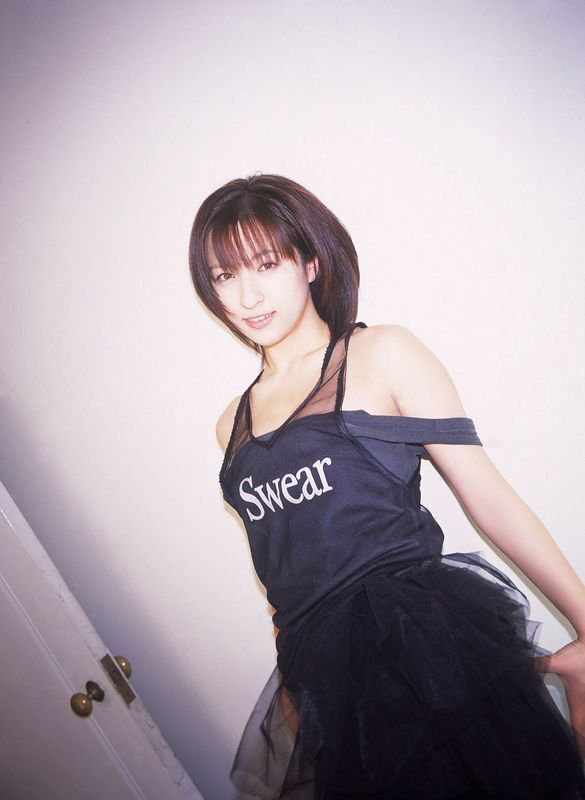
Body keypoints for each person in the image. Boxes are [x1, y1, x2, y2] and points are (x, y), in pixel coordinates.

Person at [189, 174, 585, 799]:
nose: (247, 295)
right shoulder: (229, 427)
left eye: (266, 263)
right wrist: (297, 688)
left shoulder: (380, 354)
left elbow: (486, 494)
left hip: (419, 644)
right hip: (323, 684)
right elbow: (284, 569)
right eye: (224, 275)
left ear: (311, 262)